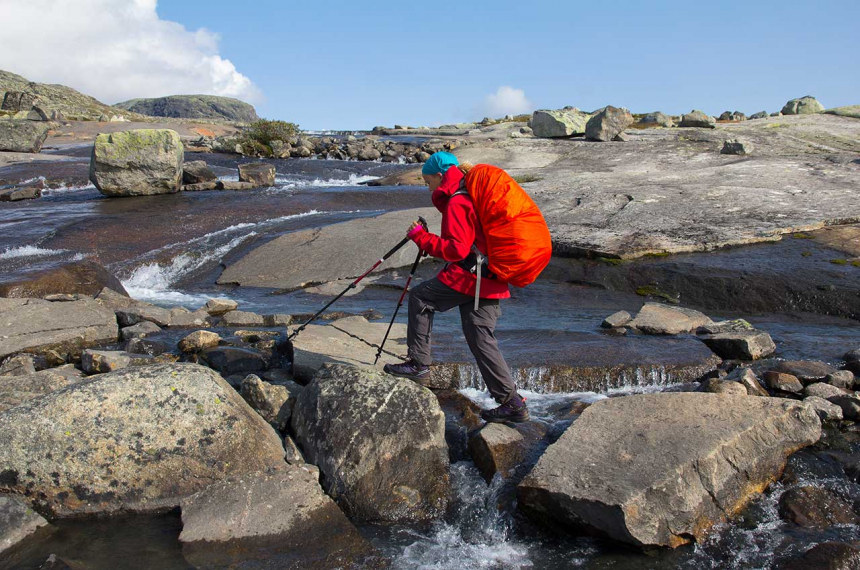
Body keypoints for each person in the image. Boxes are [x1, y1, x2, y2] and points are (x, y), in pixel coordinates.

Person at [383, 152, 529, 423]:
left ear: (440, 176)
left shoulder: (458, 200)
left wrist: (421, 238)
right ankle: (512, 403)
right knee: (480, 335)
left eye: (428, 182)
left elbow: (456, 249)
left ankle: (418, 365)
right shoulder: (471, 194)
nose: (428, 188)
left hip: (471, 278)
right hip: (492, 276)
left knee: (420, 298)